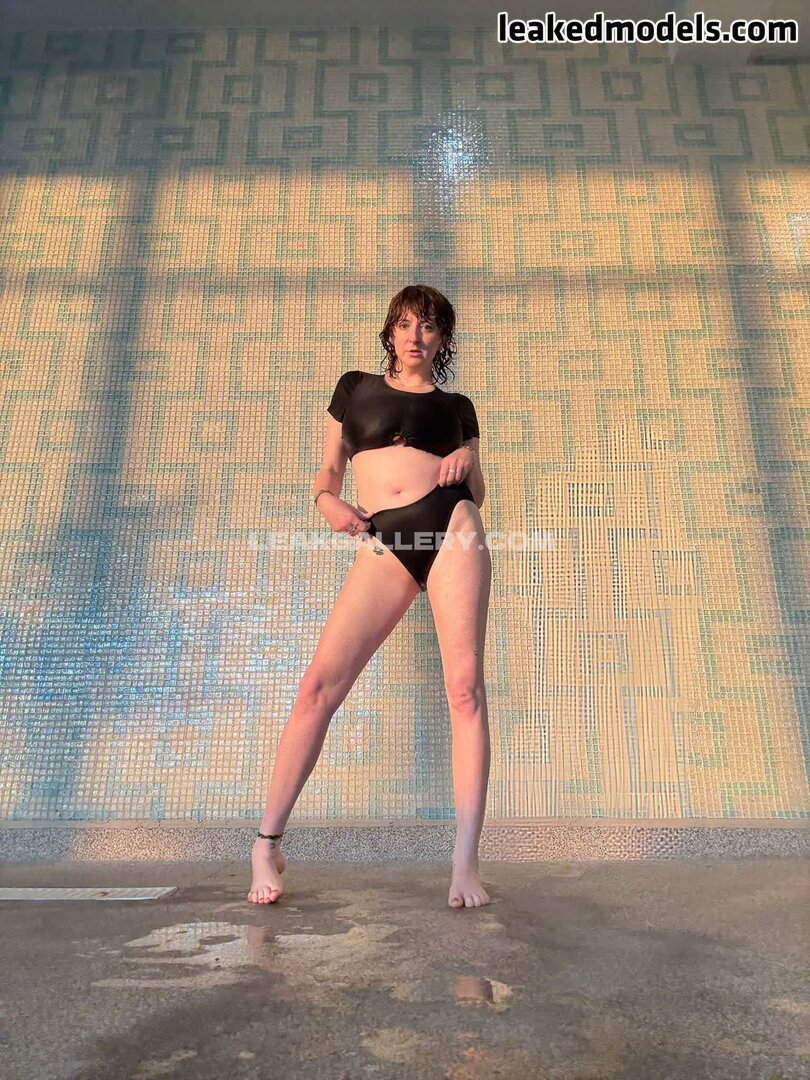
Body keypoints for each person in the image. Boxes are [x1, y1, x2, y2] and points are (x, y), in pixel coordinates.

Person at [248, 285, 492, 909]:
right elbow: (330, 470)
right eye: (406, 324)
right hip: (387, 538)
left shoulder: (457, 407)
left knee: (465, 690)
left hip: (454, 528)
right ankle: (266, 843)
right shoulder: (354, 388)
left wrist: (465, 462)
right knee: (317, 688)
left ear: (443, 340)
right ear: (391, 331)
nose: (416, 335)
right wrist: (326, 501)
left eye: (429, 326)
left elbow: (479, 491)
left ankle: (465, 863)